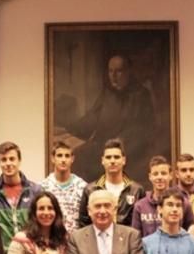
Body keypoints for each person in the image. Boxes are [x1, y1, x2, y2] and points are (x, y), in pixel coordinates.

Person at [66, 54, 158, 185]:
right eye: (110, 71)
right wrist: (69, 129)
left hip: (131, 153)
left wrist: (112, 147)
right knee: (77, 157)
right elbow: (91, 119)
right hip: (103, 149)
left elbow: (141, 132)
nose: (113, 76)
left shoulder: (141, 95)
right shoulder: (107, 94)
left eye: (118, 71)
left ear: (128, 72)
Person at [0, 141, 42, 250]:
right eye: (3, 160)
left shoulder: (35, 191)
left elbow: (42, 224)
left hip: (30, 252)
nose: (8, 163)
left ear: (19, 161)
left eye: (12, 159)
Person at [79, 138, 145, 228]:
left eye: (116, 157)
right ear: (103, 160)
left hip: (127, 240)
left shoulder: (137, 190)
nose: (112, 161)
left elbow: (141, 224)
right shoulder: (90, 190)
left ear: (124, 160)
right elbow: (84, 224)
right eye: (108, 157)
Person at [132, 156, 194, 237]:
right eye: (155, 174)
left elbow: (190, 235)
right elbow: (135, 238)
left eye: (163, 173)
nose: (159, 177)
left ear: (171, 175)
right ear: (150, 177)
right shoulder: (140, 206)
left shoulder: (184, 203)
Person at [40, 141, 88, 233]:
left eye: (67, 156)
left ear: (72, 159)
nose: (63, 159)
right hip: (51, 240)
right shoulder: (43, 187)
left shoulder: (82, 187)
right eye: (59, 155)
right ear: (53, 158)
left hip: (75, 241)